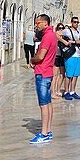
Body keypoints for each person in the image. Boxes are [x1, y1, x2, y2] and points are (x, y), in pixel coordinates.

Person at [29, 13, 58, 144]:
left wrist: (32, 60)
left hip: (42, 72)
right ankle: (48, 130)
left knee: (43, 104)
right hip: (48, 72)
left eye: (38, 23)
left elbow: (40, 56)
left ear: (45, 23)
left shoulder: (47, 36)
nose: (36, 26)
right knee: (48, 102)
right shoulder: (52, 35)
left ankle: (44, 133)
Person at [60, 17, 80, 100]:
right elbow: (56, 34)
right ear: (71, 22)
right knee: (69, 75)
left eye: (77, 22)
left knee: (75, 75)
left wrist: (74, 42)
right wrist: (65, 42)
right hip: (70, 55)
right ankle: (66, 92)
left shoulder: (79, 31)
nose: (76, 24)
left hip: (77, 54)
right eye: (74, 22)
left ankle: (72, 91)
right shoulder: (66, 31)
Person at [51, 23, 65, 98]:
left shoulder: (65, 36)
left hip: (63, 56)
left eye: (62, 28)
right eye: (59, 28)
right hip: (56, 56)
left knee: (62, 74)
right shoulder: (55, 35)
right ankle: (53, 92)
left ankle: (58, 90)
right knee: (55, 75)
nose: (61, 29)